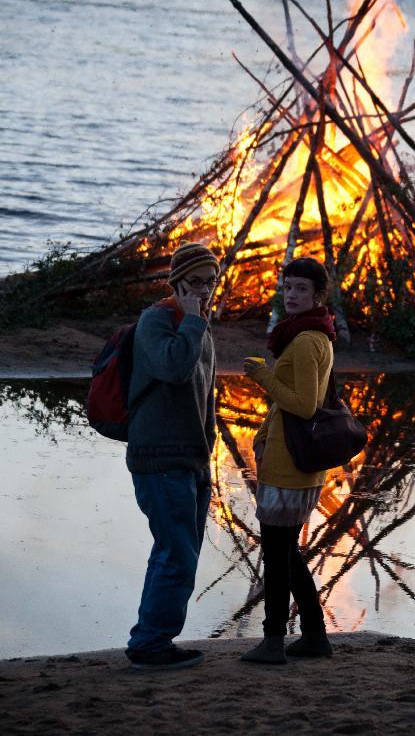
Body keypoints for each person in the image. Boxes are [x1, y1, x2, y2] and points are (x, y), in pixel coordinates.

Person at [124, 241, 220, 671]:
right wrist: (193, 323)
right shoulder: (157, 321)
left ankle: (151, 637)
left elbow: (206, 397)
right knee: (176, 553)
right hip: (159, 458)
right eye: (195, 283)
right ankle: (150, 644)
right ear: (176, 283)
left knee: (179, 552)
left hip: (191, 460)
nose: (203, 291)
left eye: (210, 282)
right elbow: (175, 369)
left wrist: (208, 454)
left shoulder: (200, 326)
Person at [241, 257, 335, 664]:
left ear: (318, 296)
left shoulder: (307, 340)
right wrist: (262, 437)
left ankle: (273, 641)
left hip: (290, 469)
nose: (292, 295)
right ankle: (314, 636)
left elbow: (306, 405)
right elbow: (284, 408)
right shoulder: (308, 335)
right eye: (288, 287)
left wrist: (262, 376)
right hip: (290, 463)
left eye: (301, 289)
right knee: (287, 553)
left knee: (277, 560)